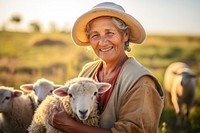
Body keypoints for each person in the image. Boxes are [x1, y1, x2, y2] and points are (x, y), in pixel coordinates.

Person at [48, 2, 164, 133]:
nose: (102, 42)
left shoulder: (141, 82)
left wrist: (71, 127)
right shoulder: (87, 71)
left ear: (125, 35)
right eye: (95, 35)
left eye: (109, 33)